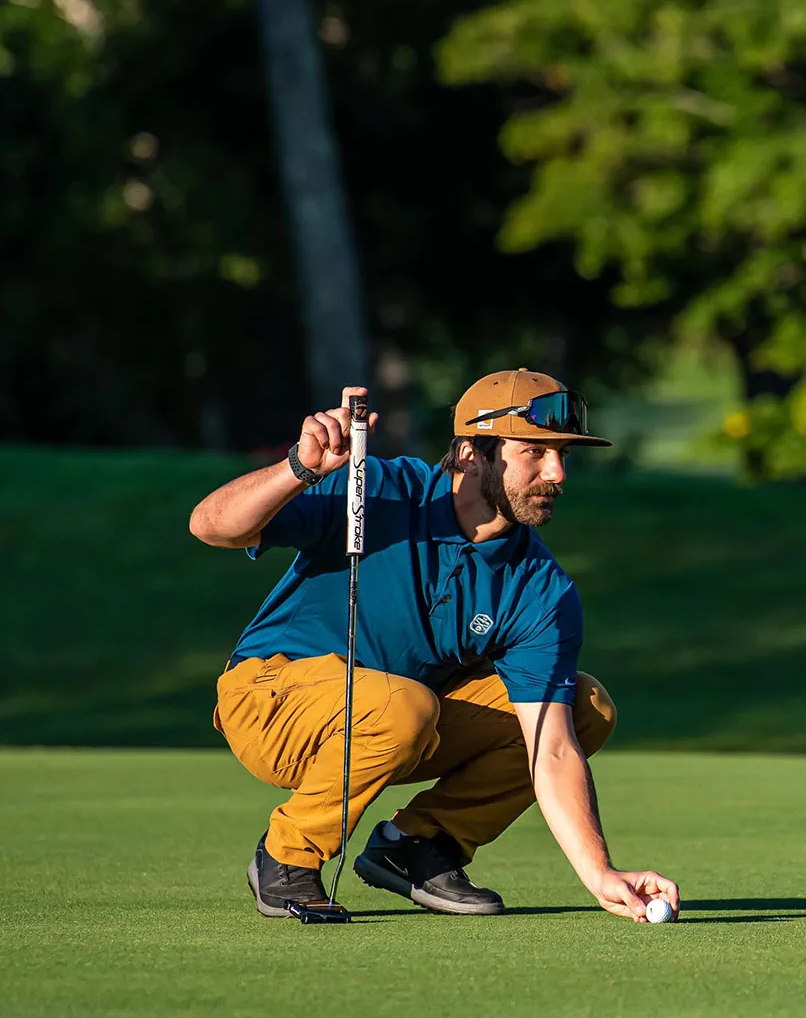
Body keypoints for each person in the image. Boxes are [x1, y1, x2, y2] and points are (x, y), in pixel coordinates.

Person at [188, 368, 679, 922]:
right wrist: (301, 470)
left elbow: (554, 749)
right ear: (472, 452)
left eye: (563, 454)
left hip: (399, 721)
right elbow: (211, 526)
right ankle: (286, 857)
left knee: (585, 709)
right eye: (534, 453)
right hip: (269, 699)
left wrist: (599, 874)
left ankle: (417, 846)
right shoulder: (372, 487)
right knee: (404, 706)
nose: (557, 473)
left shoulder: (542, 588)